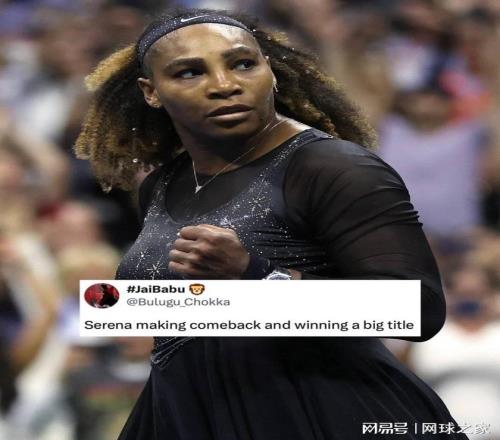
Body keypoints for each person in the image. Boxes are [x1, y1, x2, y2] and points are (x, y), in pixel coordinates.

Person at [75, 8, 469, 439]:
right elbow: (187, 333)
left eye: (243, 64)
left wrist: (259, 276)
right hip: (200, 417)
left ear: (271, 72)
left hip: (327, 414)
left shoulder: (333, 167)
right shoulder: (162, 184)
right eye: (190, 72)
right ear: (151, 92)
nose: (224, 85)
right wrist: (112, 305)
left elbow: (418, 310)